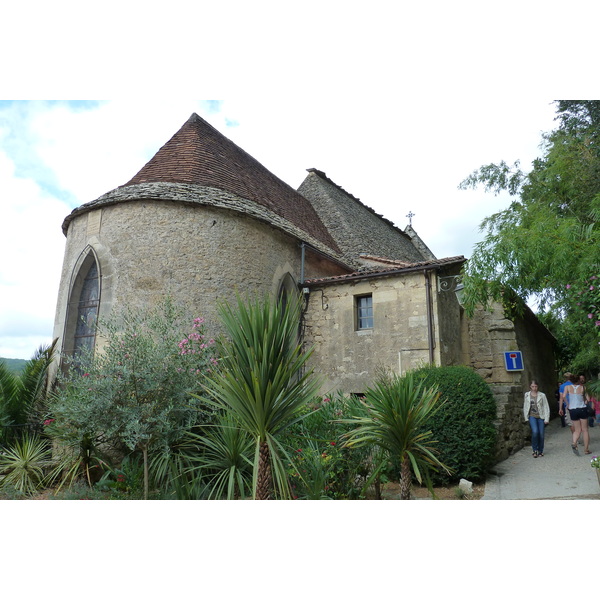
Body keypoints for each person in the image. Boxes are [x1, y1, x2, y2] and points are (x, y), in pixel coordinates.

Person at [559, 373, 591, 455]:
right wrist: (585, 401)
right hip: (582, 409)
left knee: (577, 430)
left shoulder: (567, 387)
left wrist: (568, 404)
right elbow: (588, 399)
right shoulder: (583, 387)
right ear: (579, 380)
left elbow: (563, 396)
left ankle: (574, 442)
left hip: (572, 410)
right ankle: (586, 449)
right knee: (585, 430)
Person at [523, 380, 550, 458]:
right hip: (532, 416)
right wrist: (526, 417)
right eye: (533, 386)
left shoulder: (542, 395)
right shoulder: (527, 395)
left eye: (536, 386)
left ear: (538, 387)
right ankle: (534, 450)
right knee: (535, 432)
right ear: (530, 387)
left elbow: (546, 406)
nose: (534, 388)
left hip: (541, 416)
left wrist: (546, 419)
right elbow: (525, 406)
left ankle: (540, 450)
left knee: (541, 434)